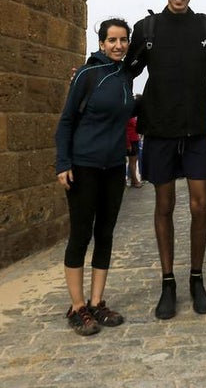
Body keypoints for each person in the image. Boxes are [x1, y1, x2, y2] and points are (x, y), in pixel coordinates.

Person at [124, 0, 206, 319]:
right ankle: (168, 282)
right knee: (164, 206)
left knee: (200, 206)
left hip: (196, 130)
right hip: (159, 130)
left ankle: (196, 278)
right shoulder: (146, 28)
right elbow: (126, 69)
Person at [54, 18, 135, 337]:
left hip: (113, 167)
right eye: (112, 40)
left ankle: (97, 301)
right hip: (84, 166)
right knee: (80, 235)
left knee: (106, 233)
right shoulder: (87, 75)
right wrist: (63, 163)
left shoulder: (126, 74)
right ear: (101, 43)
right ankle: (77, 307)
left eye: (123, 40)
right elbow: (66, 121)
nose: (118, 45)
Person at [125, 97, 142, 188]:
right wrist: (128, 143)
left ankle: (133, 180)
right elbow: (125, 130)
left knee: (133, 161)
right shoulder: (127, 115)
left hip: (134, 139)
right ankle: (134, 180)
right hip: (130, 140)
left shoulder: (131, 114)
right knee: (132, 162)